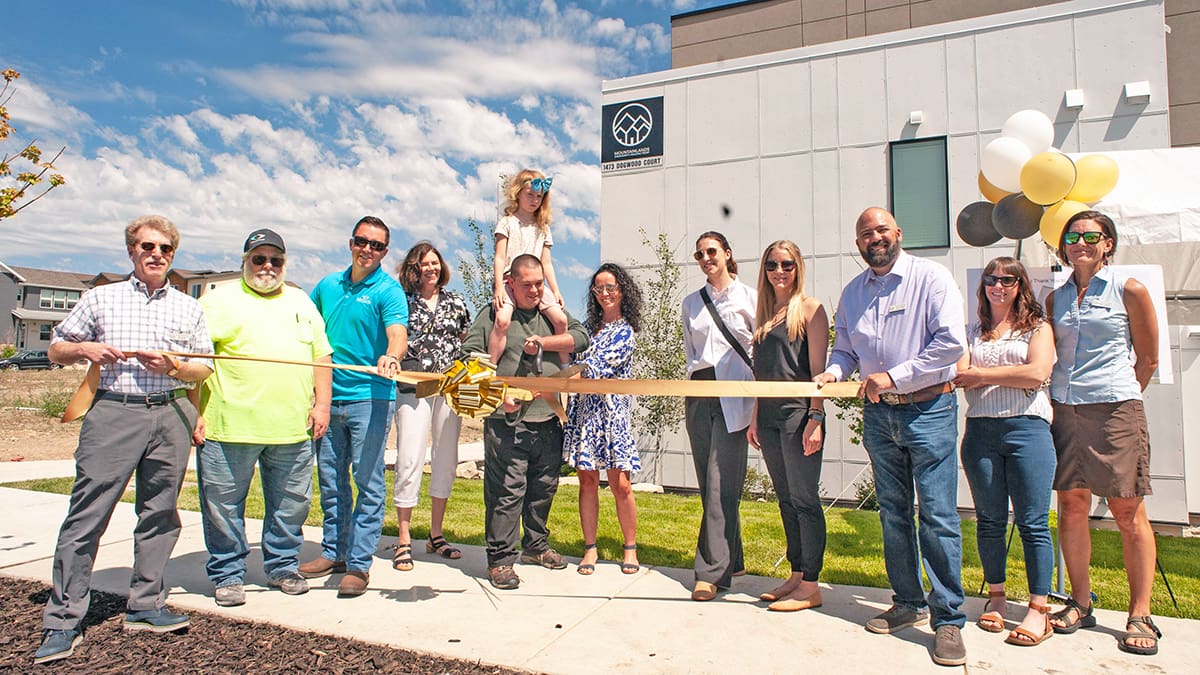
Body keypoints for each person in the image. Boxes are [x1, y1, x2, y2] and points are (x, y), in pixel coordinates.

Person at [35, 215, 213, 664]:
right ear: (131, 250)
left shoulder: (189, 308)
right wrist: (85, 350)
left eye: (165, 249)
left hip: (171, 413)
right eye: (148, 247)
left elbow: (204, 367)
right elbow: (56, 347)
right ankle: (62, 620)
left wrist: (174, 366)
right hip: (114, 412)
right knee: (87, 516)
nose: (157, 255)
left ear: (174, 255)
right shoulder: (100, 298)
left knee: (159, 513)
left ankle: (146, 603)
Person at [814, 207, 968, 667]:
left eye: (881, 230)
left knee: (937, 515)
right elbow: (845, 349)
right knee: (893, 513)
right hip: (880, 417)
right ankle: (908, 602)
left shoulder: (931, 278)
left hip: (930, 409)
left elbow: (951, 343)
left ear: (898, 233)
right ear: (858, 243)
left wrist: (893, 378)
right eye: (865, 234)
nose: (874, 238)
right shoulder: (852, 293)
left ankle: (949, 620)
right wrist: (834, 370)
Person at [195, 229, 333, 607]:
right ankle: (227, 573)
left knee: (292, 503)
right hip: (228, 425)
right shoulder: (216, 301)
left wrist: (322, 406)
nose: (268, 267)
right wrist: (195, 412)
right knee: (222, 505)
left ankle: (283, 565)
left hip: (292, 427)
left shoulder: (302, 301)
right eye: (259, 259)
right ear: (245, 261)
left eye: (276, 260)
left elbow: (322, 356)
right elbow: (195, 361)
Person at [1045, 210, 1162, 656]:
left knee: (1127, 512)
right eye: (1072, 236)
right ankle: (1080, 601)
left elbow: (1147, 359)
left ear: (1108, 243)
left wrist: (1117, 397)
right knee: (1072, 507)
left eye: (1091, 236)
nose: (1080, 242)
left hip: (1114, 409)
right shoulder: (1055, 299)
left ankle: (1140, 613)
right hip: (1063, 410)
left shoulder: (1128, 289)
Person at [461, 253, 590, 590]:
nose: (535, 291)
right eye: (528, 285)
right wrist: (498, 392)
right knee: (507, 491)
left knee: (543, 487)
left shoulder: (551, 314)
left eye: (539, 284)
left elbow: (580, 337)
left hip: (548, 419)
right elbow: (470, 357)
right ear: (511, 284)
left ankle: (536, 546)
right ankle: (501, 560)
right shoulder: (493, 314)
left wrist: (545, 342)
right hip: (508, 420)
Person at [300, 216, 408, 598]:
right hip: (329, 399)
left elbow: (397, 335)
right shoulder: (327, 286)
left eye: (377, 246)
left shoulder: (389, 291)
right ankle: (335, 552)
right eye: (363, 241)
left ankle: (359, 565)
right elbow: (307, 332)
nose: (368, 249)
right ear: (351, 242)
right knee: (330, 480)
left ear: (384, 252)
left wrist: (391, 357)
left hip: (371, 397)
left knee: (368, 480)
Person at [954, 257, 1056, 647]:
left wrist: (982, 376)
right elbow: (962, 374)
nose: (999, 286)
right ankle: (996, 596)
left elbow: (1037, 373)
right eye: (991, 280)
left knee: (1032, 522)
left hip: (1028, 429)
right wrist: (991, 376)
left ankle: (1038, 608)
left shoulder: (1038, 328)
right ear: (983, 287)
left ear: (1021, 286)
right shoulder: (971, 331)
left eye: (1007, 280)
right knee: (990, 520)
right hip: (980, 431)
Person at [745, 240, 829, 612]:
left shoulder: (810, 310)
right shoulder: (765, 316)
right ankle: (796, 575)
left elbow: (818, 374)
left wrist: (816, 417)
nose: (780, 271)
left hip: (799, 417)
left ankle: (812, 585)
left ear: (798, 268)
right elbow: (761, 374)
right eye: (772, 265)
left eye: (787, 264)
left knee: (805, 500)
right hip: (768, 419)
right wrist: (753, 418)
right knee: (786, 500)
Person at [681, 231, 756, 602]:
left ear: (727, 253)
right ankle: (734, 558)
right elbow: (691, 352)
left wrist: (757, 403)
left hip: (735, 392)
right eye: (699, 254)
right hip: (699, 391)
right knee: (708, 483)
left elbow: (758, 354)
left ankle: (710, 572)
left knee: (719, 480)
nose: (706, 258)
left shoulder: (751, 299)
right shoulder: (691, 303)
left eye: (712, 251)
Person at [391, 242, 471, 571]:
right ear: (414, 268)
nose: (431, 268)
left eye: (435, 263)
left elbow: (466, 340)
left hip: (448, 389)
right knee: (410, 457)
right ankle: (404, 538)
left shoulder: (456, 302)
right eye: (424, 264)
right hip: (413, 387)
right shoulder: (402, 302)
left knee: (446, 458)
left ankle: (436, 535)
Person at [563, 263, 643, 576]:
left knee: (620, 483)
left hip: (612, 417)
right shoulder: (585, 328)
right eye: (599, 288)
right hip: (585, 414)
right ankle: (590, 548)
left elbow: (591, 367)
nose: (605, 293)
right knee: (587, 481)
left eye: (610, 287)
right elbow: (569, 357)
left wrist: (573, 364)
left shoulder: (625, 331)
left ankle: (630, 548)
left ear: (622, 290)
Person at [487, 169, 568, 366]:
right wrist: (498, 286)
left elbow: (546, 263)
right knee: (502, 321)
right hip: (509, 281)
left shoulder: (543, 228)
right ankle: (490, 366)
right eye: (530, 194)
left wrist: (555, 290)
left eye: (539, 197)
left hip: (536, 284)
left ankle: (566, 365)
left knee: (561, 320)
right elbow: (499, 257)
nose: (534, 200)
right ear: (518, 194)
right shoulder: (507, 223)